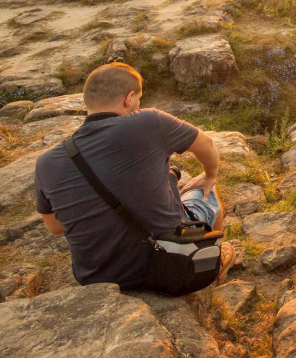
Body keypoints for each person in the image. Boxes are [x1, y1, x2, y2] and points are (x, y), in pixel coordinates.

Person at [34, 62, 234, 291]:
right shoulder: (148, 121)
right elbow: (206, 144)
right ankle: (214, 261)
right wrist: (209, 176)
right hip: (171, 265)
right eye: (138, 99)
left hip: (97, 277)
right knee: (203, 191)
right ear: (129, 98)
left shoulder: (46, 162)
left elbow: (56, 227)